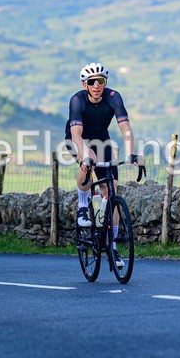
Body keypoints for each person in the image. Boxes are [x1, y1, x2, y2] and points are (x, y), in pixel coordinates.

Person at [65, 63, 140, 269]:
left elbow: (125, 128)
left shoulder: (114, 97)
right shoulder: (77, 100)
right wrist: (85, 158)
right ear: (85, 84)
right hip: (78, 139)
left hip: (102, 140)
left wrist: (131, 153)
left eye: (101, 81)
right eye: (92, 82)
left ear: (105, 83)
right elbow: (76, 134)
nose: (96, 85)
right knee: (87, 162)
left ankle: (112, 246)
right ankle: (82, 205)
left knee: (112, 190)